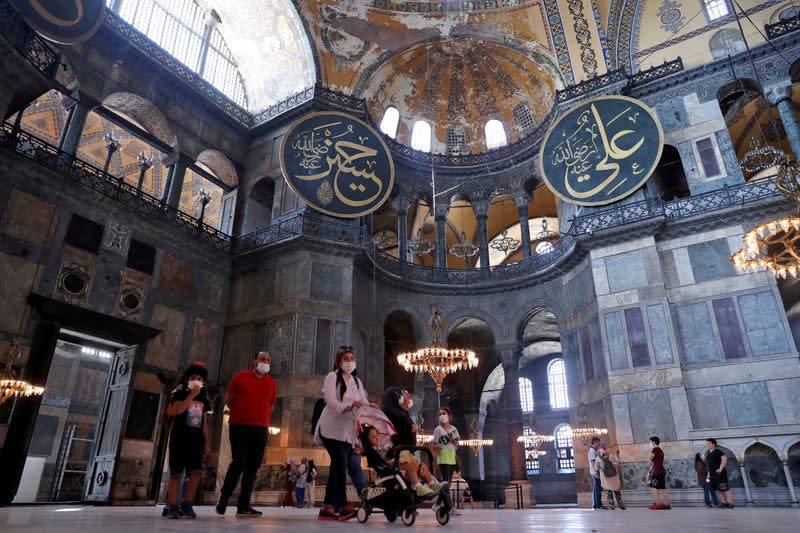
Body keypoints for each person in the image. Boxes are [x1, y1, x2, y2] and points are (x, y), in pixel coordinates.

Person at [314, 346, 374, 521]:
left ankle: (326, 508)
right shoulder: (332, 377)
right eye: (346, 358)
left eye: (352, 358)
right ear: (340, 362)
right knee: (340, 464)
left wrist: (371, 406)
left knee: (336, 468)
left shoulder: (357, 381)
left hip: (348, 432)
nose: (350, 361)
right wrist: (347, 407)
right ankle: (342, 505)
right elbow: (331, 401)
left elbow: (362, 401)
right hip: (331, 429)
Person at [216, 352, 277, 518]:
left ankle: (243, 505)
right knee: (239, 462)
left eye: (268, 360)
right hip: (239, 426)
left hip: (260, 429)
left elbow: (270, 406)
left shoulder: (272, 383)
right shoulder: (240, 377)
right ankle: (224, 497)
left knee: (253, 467)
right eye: (262, 359)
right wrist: (243, 412)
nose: (265, 362)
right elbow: (228, 399)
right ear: (254, 361)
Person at [163, 362, 211, 519]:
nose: (196, 380)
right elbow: (177, 410)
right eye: (193, 377)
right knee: (176, 473)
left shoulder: (204, 398)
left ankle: (187, 503)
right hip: (179, 437)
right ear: (187, 379)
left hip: (196, 440)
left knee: (196, 472)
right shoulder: (180, 392)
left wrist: (207, 442)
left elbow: (204, 421)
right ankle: (172, 506)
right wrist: (191, 394)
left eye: (199, 378)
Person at [364, 426, 439, 496]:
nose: (376, 437)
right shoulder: (372, 452)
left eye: (377, 434)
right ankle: (418, 487)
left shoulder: (384, 446)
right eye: (372, 436)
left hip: (397, 462)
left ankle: (432, 483)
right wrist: (393, 460)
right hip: (390, 467)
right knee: (408, 463)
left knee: (422, 465)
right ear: (367, 440)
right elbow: (381, 463)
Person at [432, 407, 460, 484]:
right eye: (440, 414)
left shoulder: (453, 428)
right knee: (446, 481)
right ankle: (445, 496)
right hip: (443, 456)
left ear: (449, 415)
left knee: (449, 482)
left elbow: (457, 444)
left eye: (444, 413)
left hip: (452, 456)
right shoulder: (437, 429)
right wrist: (441, 444)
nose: (442, 415)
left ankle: (445, 495)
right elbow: (434, 445)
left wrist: (450, 437)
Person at [706, 438, 734, 509]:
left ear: (713, 444)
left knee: (725, 489)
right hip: (713, 475)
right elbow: (709, 466)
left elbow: (724, 458)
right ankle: (723, 503)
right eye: (707, 443)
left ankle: (730, 504)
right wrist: (708, 475)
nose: (708, 444)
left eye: (709, 443)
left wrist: (720, 469)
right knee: (719, 489)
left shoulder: (717, 451)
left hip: (720, 474)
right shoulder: (709, 454)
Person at [595, 445, 625, 510]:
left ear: (598, 450)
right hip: (614, 476)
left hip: (605, 477)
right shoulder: (610, 455)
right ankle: (621, 504)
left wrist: (597, 475)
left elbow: (596, 468)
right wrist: (617, 456)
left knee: (609, 492)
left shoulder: (598, 458)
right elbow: (616, 462)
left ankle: (612, 506)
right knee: (617, 490)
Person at [648, 436, 670, 510]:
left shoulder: (655, 449)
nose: (650, 443)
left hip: (657, 471)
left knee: (654, 487)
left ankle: (657, 504)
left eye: (651, 442)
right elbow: (655, 461)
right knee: (663, 487)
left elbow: (650, 458)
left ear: (654, 442)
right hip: (661, 471)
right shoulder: (660, 450)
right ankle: (666, 504)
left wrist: (650, 457)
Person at [588, 436, 605, 510]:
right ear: (594, 442)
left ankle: (596, 504)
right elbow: (593, 462)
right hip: (595, 472)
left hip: (595, 472)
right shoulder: (592, 451)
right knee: (598, 488)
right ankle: (598, 504)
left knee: (596, 488)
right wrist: (597, 472)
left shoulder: (594, 450)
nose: (599, 444)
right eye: (598, 442)